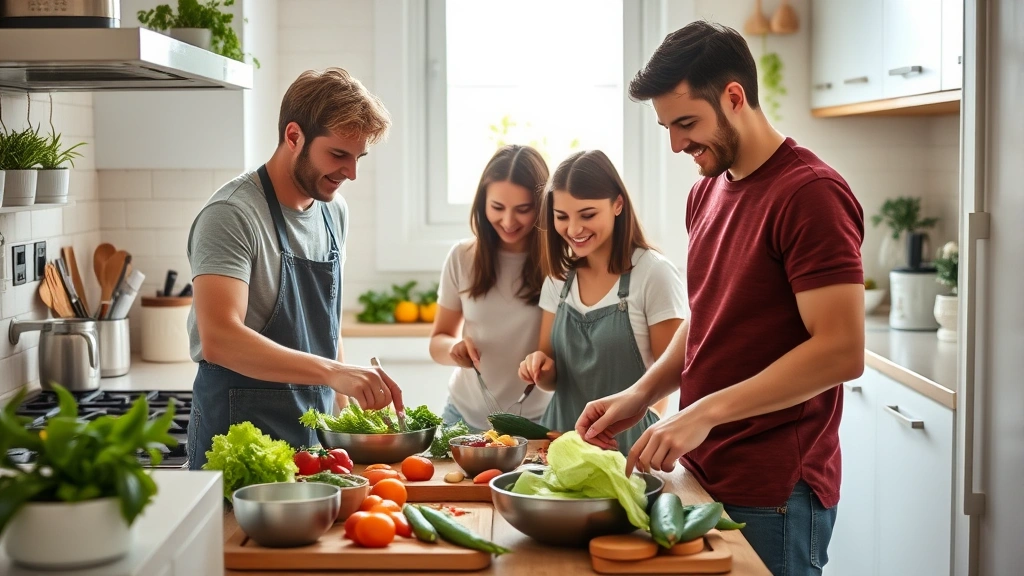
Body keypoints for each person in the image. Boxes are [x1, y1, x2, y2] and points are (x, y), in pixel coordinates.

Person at [574, 21, 865, 576]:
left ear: (734, 97)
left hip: (776, 488)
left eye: (686, 122)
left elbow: (841, 351)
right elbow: (711, 319)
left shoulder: (810, 195)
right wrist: (641, 394)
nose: (676, 143)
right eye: (666, 126)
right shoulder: (707, 189)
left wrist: (700, 414)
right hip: (706, 471)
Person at [186, 68, 404, 470]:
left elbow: (326, 328)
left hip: (314, 439)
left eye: (358, 158)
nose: (350, 173)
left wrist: (346, 418)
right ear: (293, 137)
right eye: (338, 155)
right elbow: (219, 337)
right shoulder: (231, 214)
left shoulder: (333, 210)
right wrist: (335, 372)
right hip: (238, 440)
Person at [519, 150, 687, 453]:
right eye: (562, 217)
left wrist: (637, 432)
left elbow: (671, 374)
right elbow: (552, 376)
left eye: (587, 215)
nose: (573, 229)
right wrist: (540, 368)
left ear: (618, 204)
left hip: (626, 445)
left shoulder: (654, 274)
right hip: (559, 443)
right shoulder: (558, 278)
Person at [429, 145, 553, 432]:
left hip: (537, 420)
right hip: (461, 417)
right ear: (482, 203)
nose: (508, 222)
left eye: (523, 210)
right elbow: (438, 341)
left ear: (542, 206)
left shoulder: (559, 266)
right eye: (497, 207)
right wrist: (454, 349)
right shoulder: (462, 257)